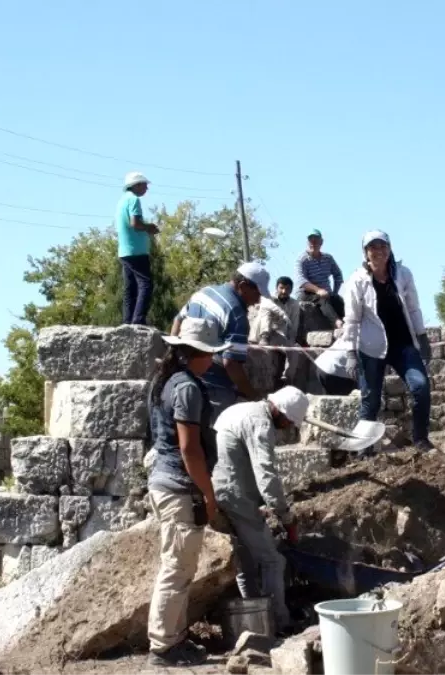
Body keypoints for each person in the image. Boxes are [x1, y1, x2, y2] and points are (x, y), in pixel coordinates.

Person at [144, 316, 227, 667]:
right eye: (210, 354)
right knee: (177, 569)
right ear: (199, 354)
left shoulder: (167, 381)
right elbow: (189, 448)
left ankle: (173, 638)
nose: (214, 360)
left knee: (178, 566)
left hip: (166, 482)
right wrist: (208, 494)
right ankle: (163, 646)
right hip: (179, 485)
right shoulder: (188, 388)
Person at [211, 386, 309, 634]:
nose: (287, 427)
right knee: (273, 560)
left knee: (245, 563)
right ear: (281, 412)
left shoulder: (241, 410)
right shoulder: (261, 424)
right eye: (288, 421)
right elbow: (266, 474)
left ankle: (255, 626)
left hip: (220, 492)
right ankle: (280, 622)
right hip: (237, 498)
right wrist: (285, 516)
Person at [341, 230, 433, 451]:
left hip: (402, 345)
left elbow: (413, 308)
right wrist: (351, 353)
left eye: (382, 246)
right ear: (365, 253)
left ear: (390, 249)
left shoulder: (402, 274)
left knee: (421, 387)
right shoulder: (357, 281)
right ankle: (364, 450)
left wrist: (422, 337)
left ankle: (420, 439)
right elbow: (352, 320)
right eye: (373, 247)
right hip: (371, 348)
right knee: (370, 400)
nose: (378, 251)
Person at [171, 262, 270, 421]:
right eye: (257, 293)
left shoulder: (204, 292)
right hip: (215, 389)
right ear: (243, 286)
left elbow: (178, 321)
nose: (258, 300)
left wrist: (173, 356)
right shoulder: (236, 314)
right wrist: (253, 396)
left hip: (183, 377)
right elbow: (231, 364)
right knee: (215, 436)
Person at [117, 172, 160, 325]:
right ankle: (138, 320)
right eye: (144, 184)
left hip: (124, 251)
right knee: (145, 285)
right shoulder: (134, 199)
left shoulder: (122, 201)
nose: (146, 188)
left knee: (130, 288)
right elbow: (135, 223)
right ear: (136, 185)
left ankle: (127, 321)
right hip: (136, 251)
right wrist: (150, 227)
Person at [296, 229, 345, 329]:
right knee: (321, 299)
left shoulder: (328, 258)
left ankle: (348, 323)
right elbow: (301, 281)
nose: (313, 243)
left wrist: (334, 292)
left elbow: (338, 276)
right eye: (311, 240)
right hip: (307, 294)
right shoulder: (302, 259)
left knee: (338, 300)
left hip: (326, 293)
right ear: (307, 242)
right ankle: (337, 323)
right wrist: (318, 290)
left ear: (321, 242)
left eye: (316, 240)